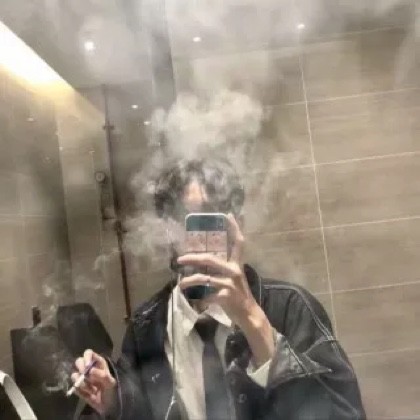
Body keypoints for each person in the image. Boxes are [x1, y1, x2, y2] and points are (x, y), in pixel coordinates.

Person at [72, 158, 366, 419]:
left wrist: (255, 324)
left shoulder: (291, 308)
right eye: (186, 218)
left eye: (211, 217)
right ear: (167, 230)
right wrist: (115, 402)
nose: (200, 236)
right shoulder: (147, 327)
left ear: (239, 225)